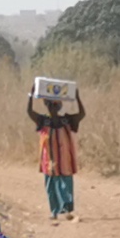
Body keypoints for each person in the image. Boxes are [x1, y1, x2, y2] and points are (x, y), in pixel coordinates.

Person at [27, 80, 82, 222]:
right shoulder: (42, 120)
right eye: (50, 104)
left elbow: (81, 114)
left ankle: (67, 209)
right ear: (46, 106)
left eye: (56, 105)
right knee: (51, 186)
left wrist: (77, 97)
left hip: (65, 159)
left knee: (66, 184)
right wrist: (31, 96)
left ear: (60, 106)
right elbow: (30, 112)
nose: (53, 107)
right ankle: (54, 211)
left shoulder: (67, 120)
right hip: (49, 160)